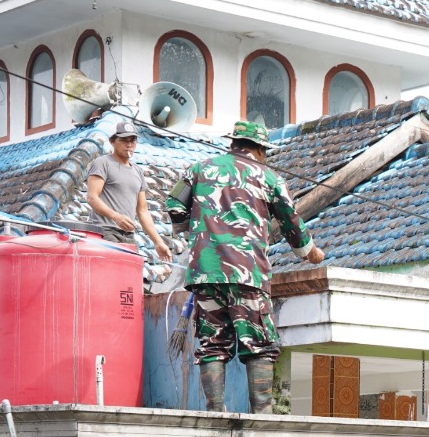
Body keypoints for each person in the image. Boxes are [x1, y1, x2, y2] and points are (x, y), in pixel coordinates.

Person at [165, 120, 324, 414]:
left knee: (212, 344)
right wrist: (309, 252)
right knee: (259, 343)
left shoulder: (198, 169)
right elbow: (290, 219)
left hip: (205, 274)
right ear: (261, 150)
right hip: (247, 274)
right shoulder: (269, 177)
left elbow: (174, 205)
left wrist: (198, 232)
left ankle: (215, 410)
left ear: (233, 143)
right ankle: (262, 415)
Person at [86, 121, 172, 260]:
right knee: (113, 271)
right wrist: (116, 217)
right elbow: (92, 197)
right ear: (112, 142)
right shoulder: (102, 163)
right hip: (104, 230)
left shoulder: (137, 171)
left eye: (132, 141)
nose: (129, 145)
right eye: (124, 140)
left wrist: (158, 242)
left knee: (130, 274)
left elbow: (143, 211)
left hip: (128, 235)